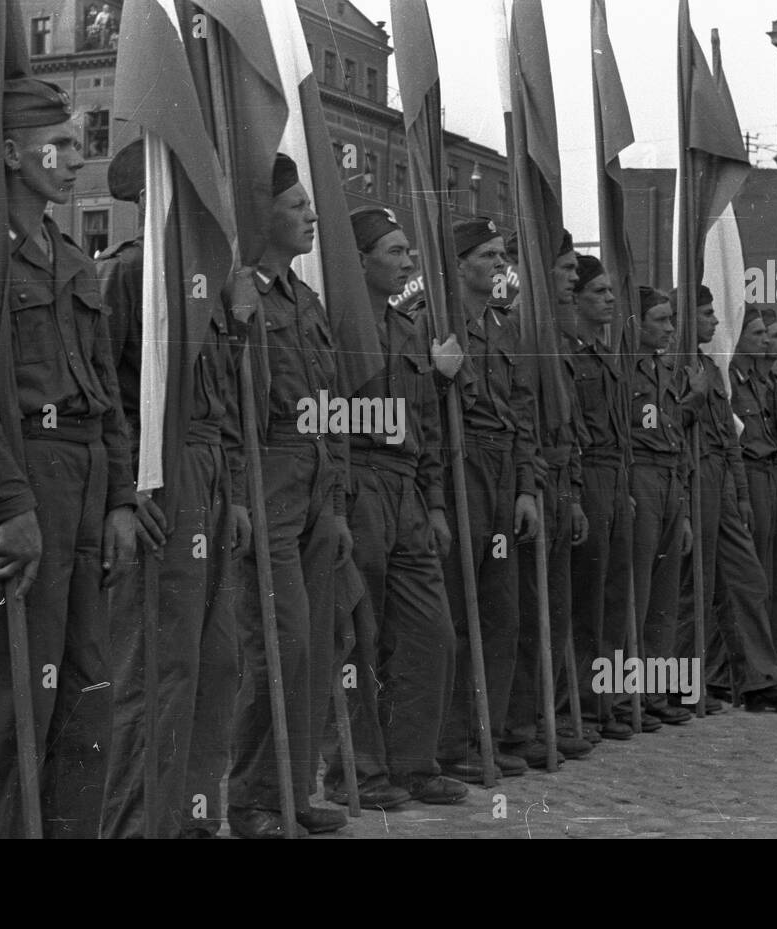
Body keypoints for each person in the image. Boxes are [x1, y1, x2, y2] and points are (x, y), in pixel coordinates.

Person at [0, 76, 137, 838]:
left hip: (84, 478)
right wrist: (8, 501)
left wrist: (119, 497)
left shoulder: (75, 262)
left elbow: (107, 391)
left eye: (76, 141)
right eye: (56, 142)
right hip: (22, 477)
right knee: (3, 698)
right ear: (11, 152)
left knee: (89, 689)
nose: (73, 157)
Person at [97, 143, 249, 838]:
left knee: (215, 661)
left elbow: (230, 406)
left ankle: (193, 810)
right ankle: (142, 823)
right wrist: (129, 488)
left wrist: (237, 494)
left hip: (212, 474)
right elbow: (109, 392)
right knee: (158, 666)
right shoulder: (134, 274)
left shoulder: (210, 284)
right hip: (162, 471)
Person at [322, 206, 469, 808]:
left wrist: (434, 504)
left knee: (433, 633)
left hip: (406, 491)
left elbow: (427, 427)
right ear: (358, 261)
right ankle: (358, 770)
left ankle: (414, 761)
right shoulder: (332, 328)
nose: (409, 261)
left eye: (410, 250)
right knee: (360, 633)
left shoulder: (411, 333)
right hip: (355, 483)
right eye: (395, 252)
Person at [226, 154, 352, 839]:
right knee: (278, 642)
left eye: (308, 205)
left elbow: (328, 404)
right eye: (297, 206)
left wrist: (334, 500)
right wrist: (240, 321)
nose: (310, 216)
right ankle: (249, 797)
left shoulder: (305, 302)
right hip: (265, 475)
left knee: (314, 646)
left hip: (313, 484)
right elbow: (223, 384)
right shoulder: (240, 293)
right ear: (262, 215)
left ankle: (293, 786)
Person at [672, 285, 777, 713]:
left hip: (722, 481)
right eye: (706, 314)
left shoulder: (711, 369)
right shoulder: (673, 368)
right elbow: (664, 431)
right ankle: (682, 684)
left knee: (749, 581)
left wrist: (739, 494)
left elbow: (730, 441)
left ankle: (758, 682)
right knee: (690, 588)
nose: (716, 322)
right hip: (691, 478)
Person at [437, 218, 540, 782]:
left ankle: (487, 733)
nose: (502, 266)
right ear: (457, 264)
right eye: (490, 256)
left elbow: (522, 412)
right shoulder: (433, 325)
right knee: (457, 609)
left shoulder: (503, 329)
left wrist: (526, 487)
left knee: (501, 611)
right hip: (462, 465)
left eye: (503, 256)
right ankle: (451, 742)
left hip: (502, 473)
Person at [506, 232, 594, 761]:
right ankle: (519, 726)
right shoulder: (517, 329)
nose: (572, 278)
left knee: (555, 612)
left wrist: (575, 494)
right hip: (532, 483)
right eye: (563, 269)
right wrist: (531, 486)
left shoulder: (558, 336)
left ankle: (544, 716)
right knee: (526, 613)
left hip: (561, 485)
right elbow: (519, 419)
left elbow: (570, 426)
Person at [557, 256, 645, 736]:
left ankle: (606, 699)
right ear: (576, 299)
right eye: (599, 292)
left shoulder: (605, 355)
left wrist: (626, 487)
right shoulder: (570, 354)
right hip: (587, 474)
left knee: (614, 595)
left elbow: (622, 432)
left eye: (611, 291)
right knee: (587, 599)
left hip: (613, 478)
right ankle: (583, 706)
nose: (610, 299)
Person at [627, 287, 695, 723]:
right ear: (637, 324)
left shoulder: (666, 370)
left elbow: (678, 438)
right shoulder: (624, 370)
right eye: (660, 320)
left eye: (671, 319)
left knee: (665, 598)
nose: (671, 328)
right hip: (640, 475)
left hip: (670, 477)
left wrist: (685, 509)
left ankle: (654, 695)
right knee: (638, 594)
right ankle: (627, 695)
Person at [729, 306, 777, 671]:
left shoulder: (763, 384)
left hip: (771, 476)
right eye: (759, 334)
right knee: (754, 573)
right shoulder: (731, 382)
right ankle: (754, 661)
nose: (768, 340)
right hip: (750, 476)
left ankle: (771, 655)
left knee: (776, 574)